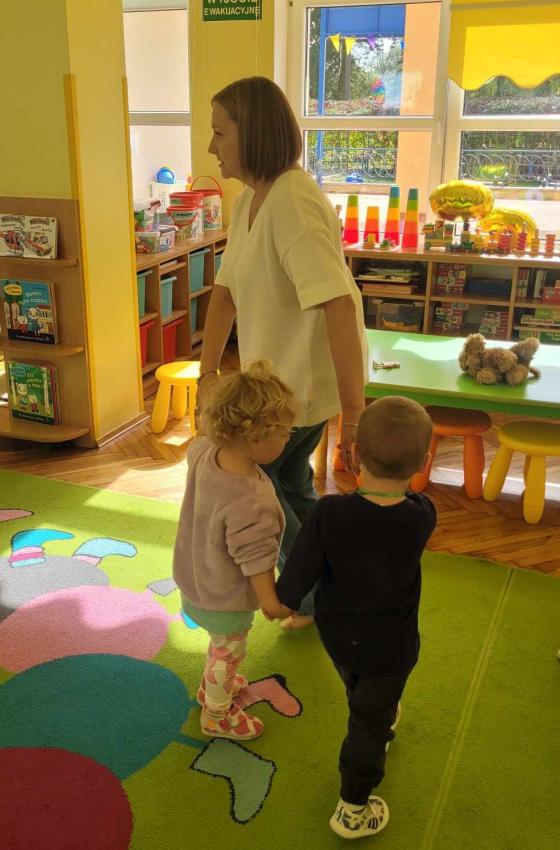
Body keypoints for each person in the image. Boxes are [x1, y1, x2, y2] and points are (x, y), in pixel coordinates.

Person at [197, 76, 368, 629]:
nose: (211, 146)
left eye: (220, 133)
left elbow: (338, 304)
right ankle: (334, 584)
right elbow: (225, 293)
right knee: (289, 487)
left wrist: (354, 412)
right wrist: (207, 374)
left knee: (260, 492)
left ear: (253, 133)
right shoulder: (251, 198)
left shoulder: (293, 201)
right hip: (272, 389)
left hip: (297, 393)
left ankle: (317, 596)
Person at [274, 396, 437, 839]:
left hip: (339, 636)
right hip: (392, 648)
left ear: (353, 454)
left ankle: (371, 704)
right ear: (425, 462)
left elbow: (296, 579)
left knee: (361, 691)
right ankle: (353, 808)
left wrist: (279, 600)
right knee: (368, 726)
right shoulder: (422, 515)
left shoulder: (328, 513)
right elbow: (396, 510)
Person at [173, 361, 293, 741]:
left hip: (196, 577)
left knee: (221, 647)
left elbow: (200, 438)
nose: (288, 440)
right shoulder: (251, 501)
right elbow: (256, 559)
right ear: (255, 439)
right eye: (285, 434)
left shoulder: (204, 451)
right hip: (225, 596)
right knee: (229, 651)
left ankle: (215, 684)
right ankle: (216, 714)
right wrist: (271, 602)